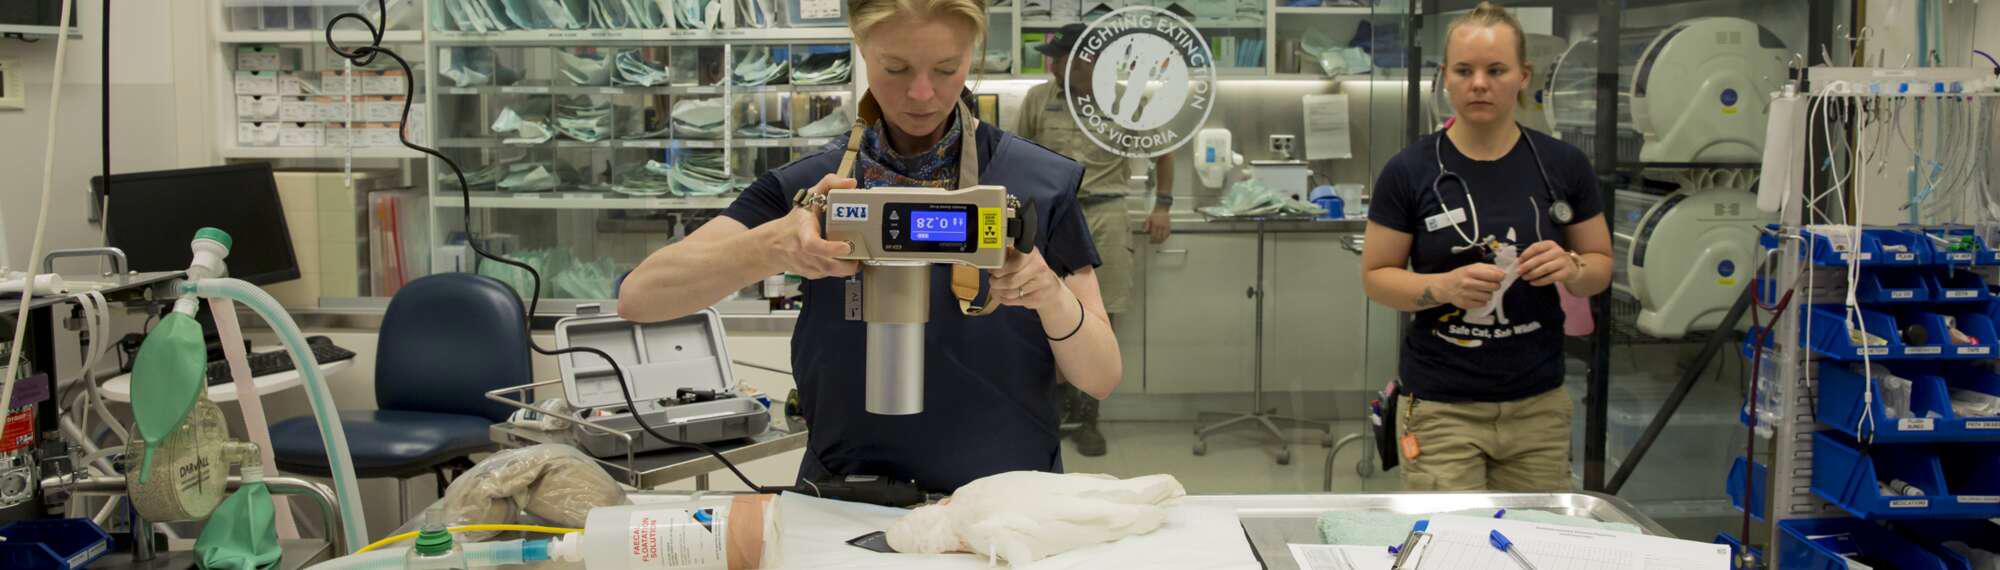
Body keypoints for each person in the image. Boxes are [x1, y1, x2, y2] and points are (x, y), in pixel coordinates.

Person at [616, 0, 1121, 494]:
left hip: (1005, 501)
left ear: (974, 51)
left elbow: (1100, 377)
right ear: (861, 46)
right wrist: (771, 247)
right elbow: (640, 297)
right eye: (896, 67)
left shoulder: (1037, 186)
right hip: (846, 500)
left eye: (946, 69)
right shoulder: (814, 188)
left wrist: (1051, 296)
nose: (921, 94)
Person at [1359, 1, 1612, 492]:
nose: (1479, 83)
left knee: (1539, 546)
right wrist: (1444, 286)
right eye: (1464, 70)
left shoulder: (1563, 165)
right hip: (1441, 407)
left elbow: (1600, 266)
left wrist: (1571, 266)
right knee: (1452, 548)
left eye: (1496, 70)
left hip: (1538, 406)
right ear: (1445, 78)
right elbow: (1376, 276)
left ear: (1523, 76)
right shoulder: (1410, 171)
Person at [1014, 23, 1176, 457]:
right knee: (1045, 311)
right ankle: (1054, 410)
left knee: (1103, 315)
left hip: (1106, 213)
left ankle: (1088, 418)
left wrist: (1163, 204)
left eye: (1060, 57)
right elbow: (1018, 157)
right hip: (1051, 219)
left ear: (1089, 60)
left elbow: (1164, 150)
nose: (1051, 65)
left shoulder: (1128, 100)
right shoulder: (1038, 98)